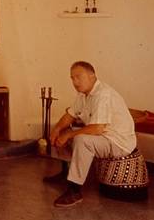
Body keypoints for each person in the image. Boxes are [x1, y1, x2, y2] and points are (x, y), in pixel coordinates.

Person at [44, 60, 137, 208]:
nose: (75, 82)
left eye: (78, 77)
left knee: (80, 139)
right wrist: (56, 130)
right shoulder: (83, 94)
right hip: (103, 137)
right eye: (72, 78)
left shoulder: (103, 94)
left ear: (92, 76)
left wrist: (68, 134)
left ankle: (75, 190)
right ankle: (66, 172)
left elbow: (98, 128)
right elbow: (70, 115)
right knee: (66, 133)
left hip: (118, 142)